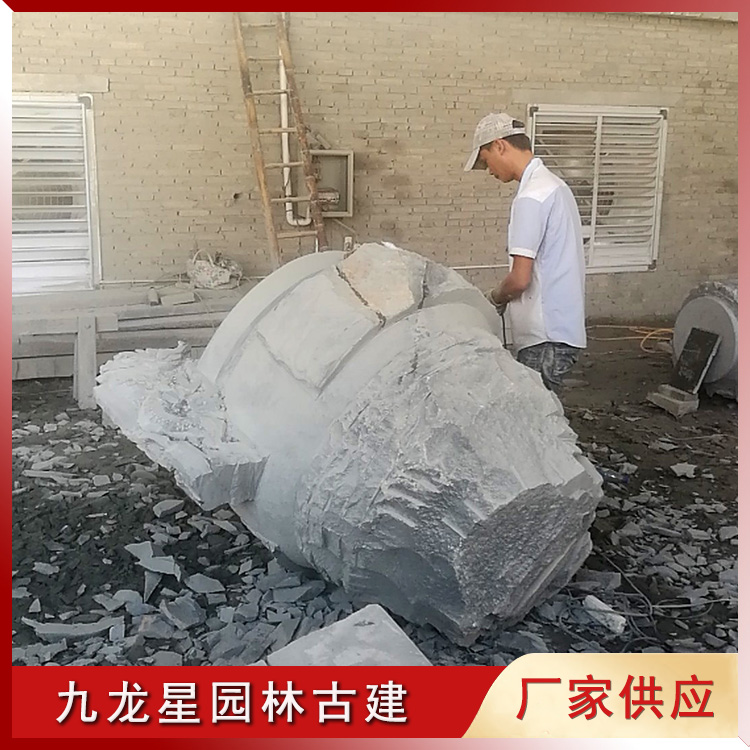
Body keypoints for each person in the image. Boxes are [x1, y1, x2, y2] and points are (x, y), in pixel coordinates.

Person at [464, 112, 587, 393]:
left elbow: (520, 279)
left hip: (544, 338)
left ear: (499, 146)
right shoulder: (555, 186)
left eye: (485, 161)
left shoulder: (532, 196)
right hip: (560, 330)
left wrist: (493, 298)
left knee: (532, 415)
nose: (489, 171)